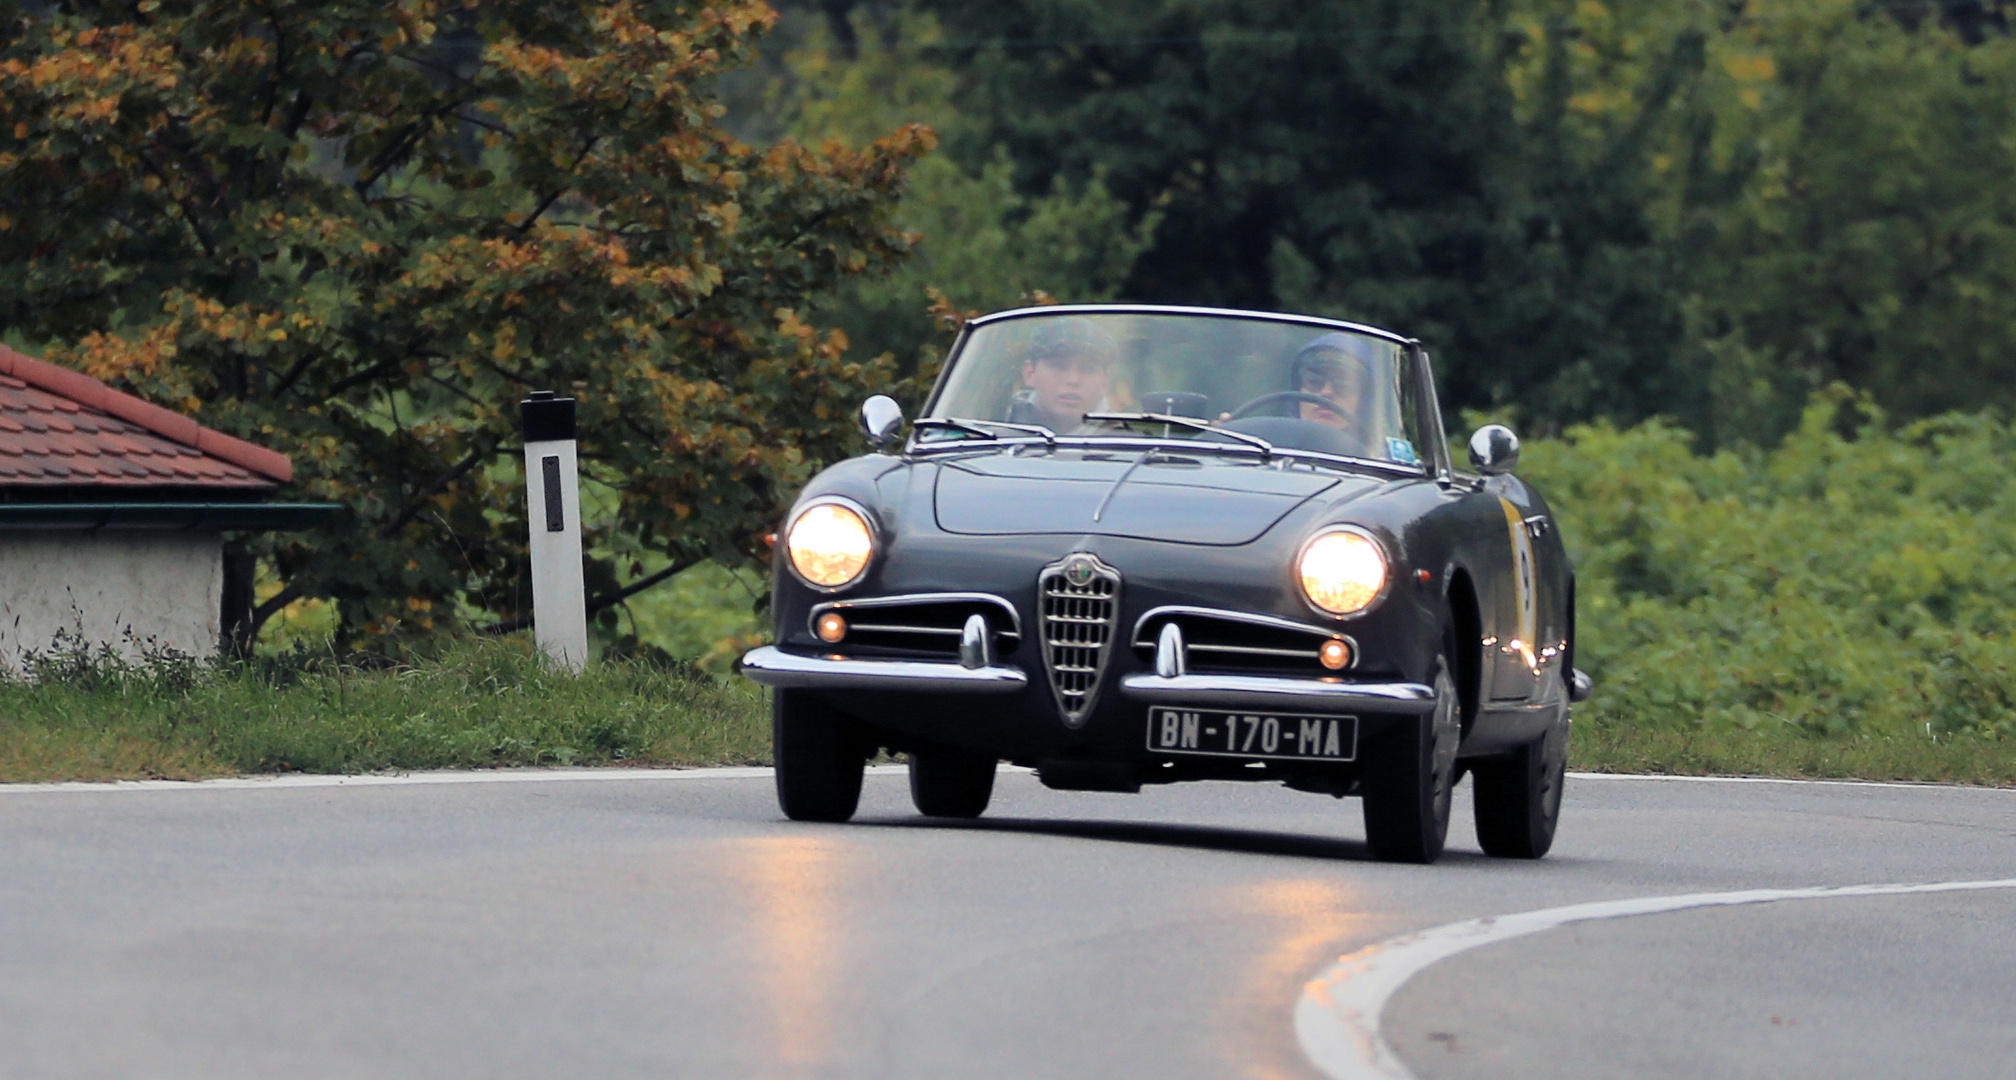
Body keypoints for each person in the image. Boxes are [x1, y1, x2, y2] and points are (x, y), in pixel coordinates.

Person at [1005, 317, 1116, 433]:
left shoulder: (1126, 443)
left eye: (1088, 369)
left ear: (1105, 382)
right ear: (1030, 373)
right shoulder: (996, 431)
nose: (1073, 380)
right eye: (1058, 366)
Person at [1289, 333, 1374, 432]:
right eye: (1314, 383)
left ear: (1363, 401)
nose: (1326, 393)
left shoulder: (1377, 447)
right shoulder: (1273, 443)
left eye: (1342, 386)